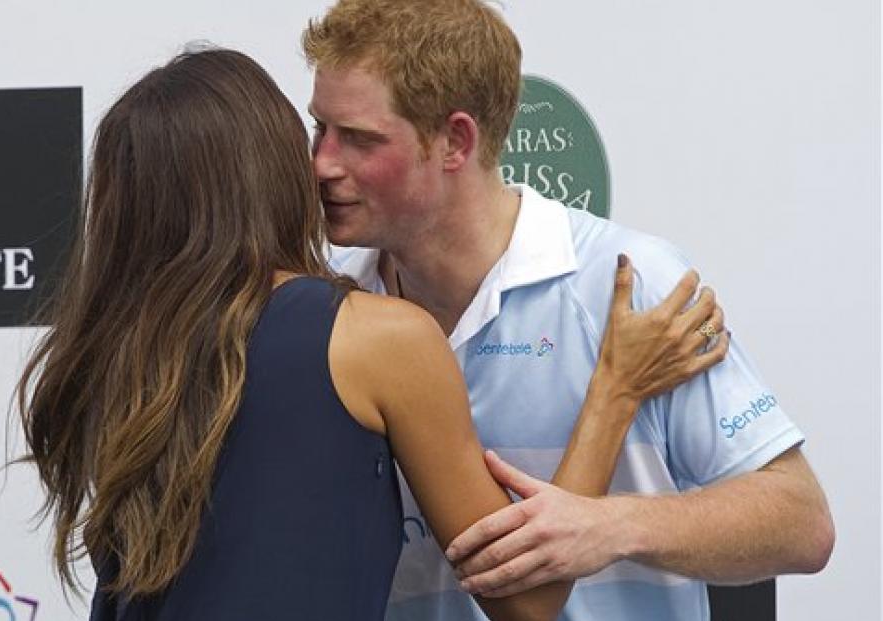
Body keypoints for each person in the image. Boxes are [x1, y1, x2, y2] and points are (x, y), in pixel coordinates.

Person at [16, 48, 726, 620]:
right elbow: (525, 597)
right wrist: (614, 391)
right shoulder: (372, 337)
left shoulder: (105, 359)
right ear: (268, 168)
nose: (324, 161)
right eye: (311, 136)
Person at [302, 1, 835, 620]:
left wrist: (612, 526)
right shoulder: (327, 304)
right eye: (320, 129)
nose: (323, 164)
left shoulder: (626, 286)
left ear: (456, 141)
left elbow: (802, 520)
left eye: (361, 140)